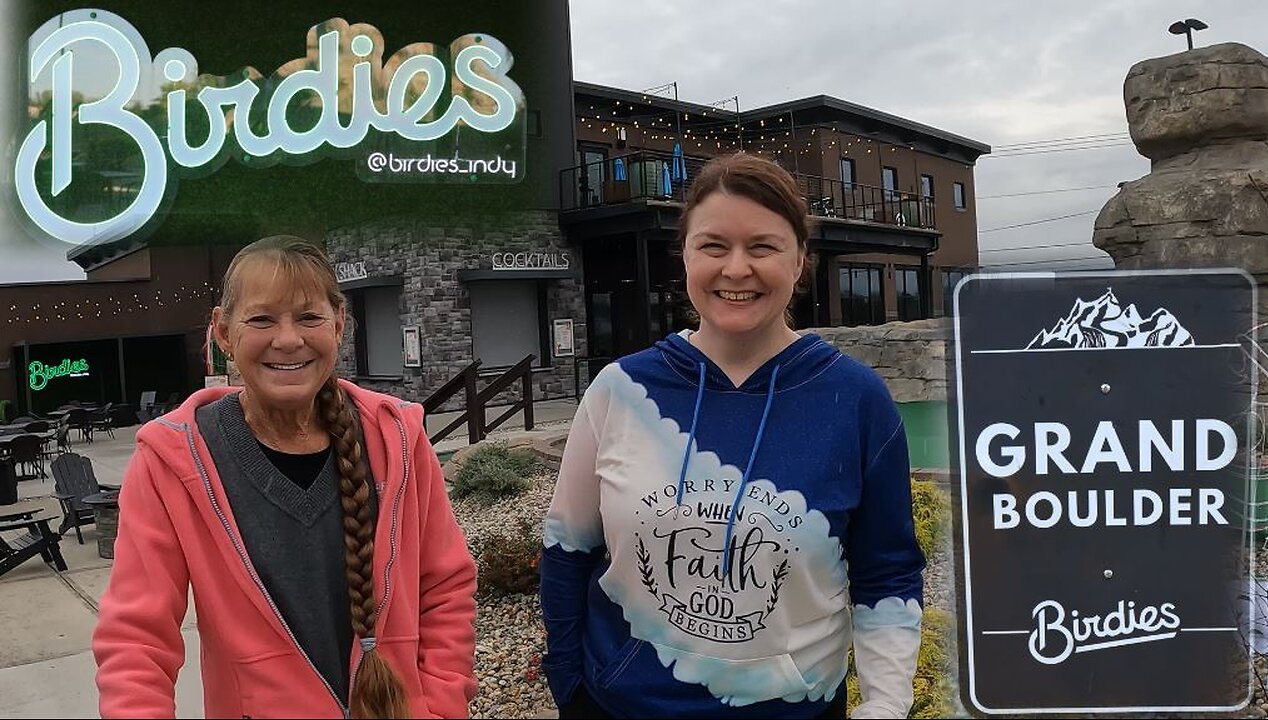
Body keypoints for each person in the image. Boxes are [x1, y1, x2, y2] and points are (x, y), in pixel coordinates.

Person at [540, 152, 925, 719]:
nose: (736, 269)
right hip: (623, 705)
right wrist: (569, 684)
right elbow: (566, 547)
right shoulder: (619, 390)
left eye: (763, 247)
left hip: (796, 708)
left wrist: (887, 704)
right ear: (686, 257)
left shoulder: (856, 399)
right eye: (714, 246)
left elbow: (886, 570)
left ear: (800, 261)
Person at [93, 236, 477, 718]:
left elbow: (443, 586)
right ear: (224, 332)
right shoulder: (173, 460)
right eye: (262, 319)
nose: (289, 339)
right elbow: (136, 639)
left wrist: (440, 705)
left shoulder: (397, 438)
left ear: (338, 325)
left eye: (309, 317)